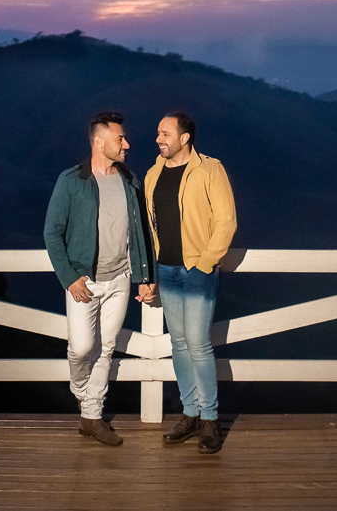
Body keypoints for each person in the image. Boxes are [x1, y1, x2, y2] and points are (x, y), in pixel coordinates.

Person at [44, 111, 154, 445]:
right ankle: (82, 393)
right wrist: (69, 278)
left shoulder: (130, 180)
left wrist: (144, 277)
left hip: (120, 279)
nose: (127, 144)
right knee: (80, 348)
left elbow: (141, 234)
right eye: (120, 139)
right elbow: (52, 233)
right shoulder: (71, 181)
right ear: (99, 141)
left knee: (105, 350)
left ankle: (92, 416)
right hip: (84, 282)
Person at [144, 111, 236, 454]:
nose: (158, 138)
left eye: (165, 133)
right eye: (158, 133)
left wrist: (206, 262)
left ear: (185, 138)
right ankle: (191, 414)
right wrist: (150, 270)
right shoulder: (153, 173)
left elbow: (226, 221)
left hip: (197, 270)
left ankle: (210, 419)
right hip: (165, 269)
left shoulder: (211, 169)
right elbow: (149, 225)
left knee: (198, 344)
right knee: (179, 344)